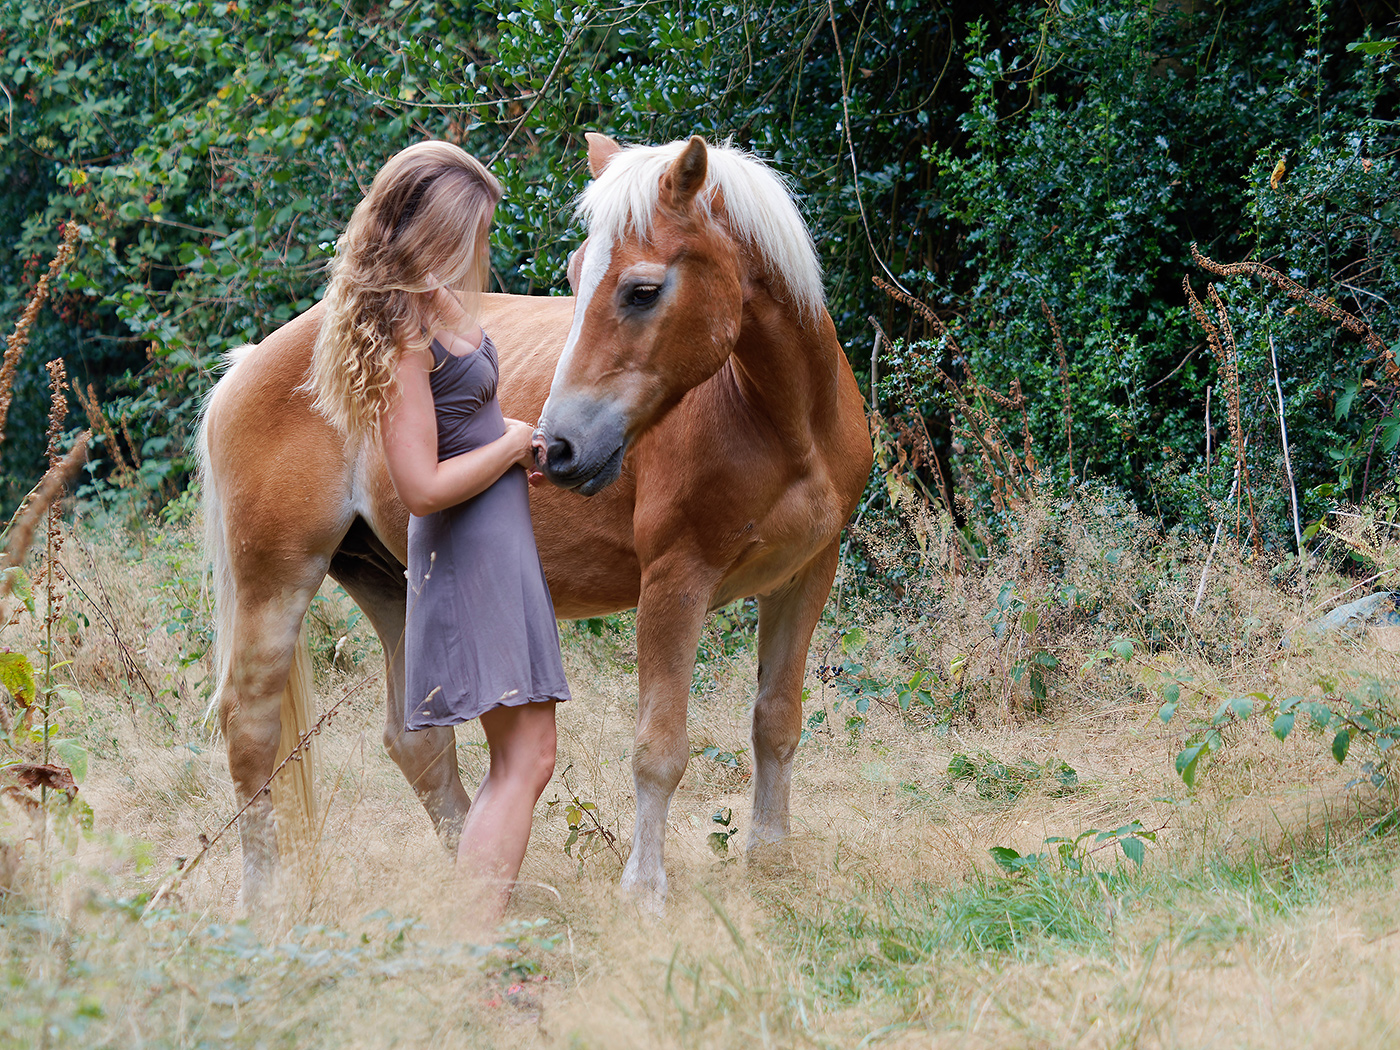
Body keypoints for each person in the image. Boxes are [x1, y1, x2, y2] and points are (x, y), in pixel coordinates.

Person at [309, 140, 570, 925]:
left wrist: (510, 446)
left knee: (524, 756)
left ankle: (475, 943)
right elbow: (420, 488)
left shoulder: (437, 305)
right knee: (526, 757)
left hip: (497, 535)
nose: (476, 253)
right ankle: (479, 951)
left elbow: (468, 432)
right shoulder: (403, 339)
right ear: (428, 232)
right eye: (468, 235)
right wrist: (508, 444)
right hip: (467, 549)